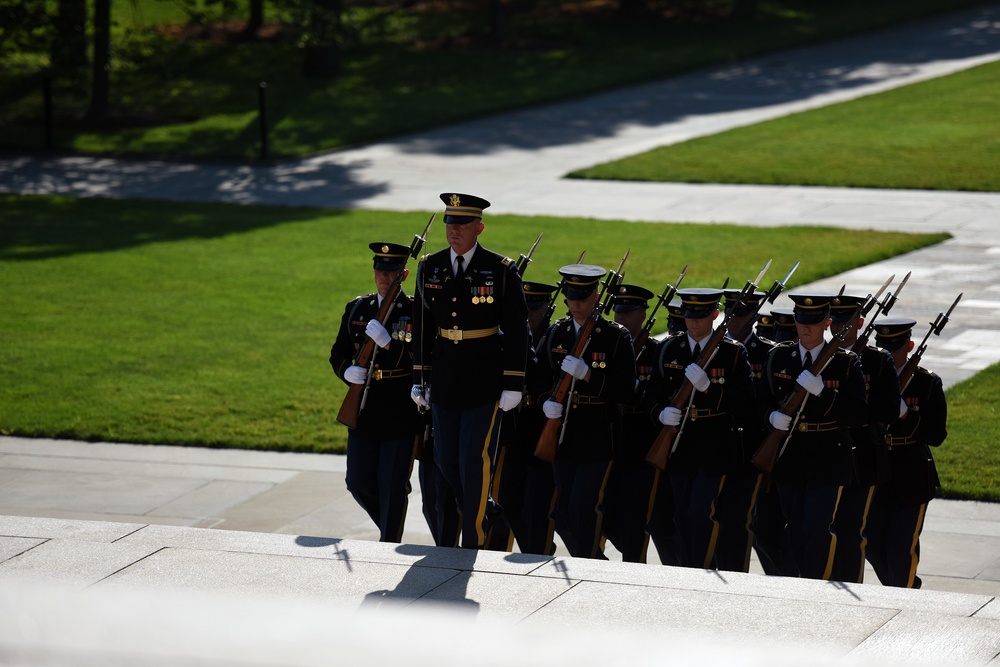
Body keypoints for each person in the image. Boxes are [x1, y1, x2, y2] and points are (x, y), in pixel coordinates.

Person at [411, 193, 529, 550]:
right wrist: (420, 377)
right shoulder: (430, 266)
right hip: (446, 376)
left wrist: (513, 383)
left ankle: (474, 540)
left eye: (461, 225)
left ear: (479, 227)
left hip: (484, 378)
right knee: (446, 459)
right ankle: (487, 512)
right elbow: (421, 324)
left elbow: (517, 327)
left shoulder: (501, 270)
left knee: (473, 461)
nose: (453, 232)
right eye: (449, 224)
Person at [641, 288, 755, 570]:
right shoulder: (669, 348)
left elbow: (746, 403)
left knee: (700, 512)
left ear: (715, 315)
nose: (693, 322)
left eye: (701, 316)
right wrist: (660, 413)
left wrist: (709, 390)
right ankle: (693, 565)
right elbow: (649, 396)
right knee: (680, 513)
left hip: (715, 444)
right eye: (688, 315)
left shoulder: (732, 352)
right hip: (679, 444)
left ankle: (701, 567)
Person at [759, 292, 867, 580]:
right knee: (793, 527)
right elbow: (760, 400)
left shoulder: (846, 363)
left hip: (828, 456)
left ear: (827, 323)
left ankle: (817, 585)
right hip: (789, 456)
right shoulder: (779, 356)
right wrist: (771, 416)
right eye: (801, 321)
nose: (806, 327)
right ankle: (798, 585)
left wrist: (823, 394)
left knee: (817, 528)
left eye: (814, 322)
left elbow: (859, 414)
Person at [533, 264, 635, 559]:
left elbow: (626, 389)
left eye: (582, 296)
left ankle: (589, 563)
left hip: (598, 433)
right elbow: (540, 379)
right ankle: (590, 559)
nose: (575, 303)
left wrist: (590, 376)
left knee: (584, 503)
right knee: (563, 507)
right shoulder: (557, 332)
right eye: (570, 296)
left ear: (596, 296)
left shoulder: (615, 337)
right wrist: (545, 402)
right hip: (562, 432)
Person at [329, 242, 421, 542]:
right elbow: (338, 352)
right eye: (380, 271)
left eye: (392, 272)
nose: (384, 277)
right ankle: (387, 527)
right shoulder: (357, 308)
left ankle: (388, 542)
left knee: (392, 485)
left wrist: (390, 344)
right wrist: (346, 371)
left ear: (403, 274)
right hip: (364, 408)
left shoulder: (415, 311)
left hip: (399, 408)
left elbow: (421, 360)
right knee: (358, 482)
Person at [865, 318, 948, 588]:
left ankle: (903, 595)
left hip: (910, 474)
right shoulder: (868, 376)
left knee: (901, 549)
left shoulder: (926, 383)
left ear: (910, 345)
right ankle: (904, 589)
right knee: (874, 547)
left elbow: (936, 435)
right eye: (882, 346)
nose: (888, 352)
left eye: (895, 346)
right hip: (876, 472)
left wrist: (905, 415)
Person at [828, 295, 899, 584]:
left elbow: (889, 410)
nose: (840, 328)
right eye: (836, 321)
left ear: (859, 322)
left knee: (851, 529)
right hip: (828, 453)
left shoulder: (877, 360)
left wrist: (850, 407)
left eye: (847, 322)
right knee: (825, 527)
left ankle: (852, 585)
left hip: (863, 458)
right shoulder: (822, 356)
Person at [496, 281, 560, 554]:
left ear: (548, 309)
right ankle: (533, 549)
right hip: (515, 430)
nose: (530, 314)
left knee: (538, 504)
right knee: (508, 500)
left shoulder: (557, 337)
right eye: (525, 307)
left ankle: (540, 551)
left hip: (542, 426)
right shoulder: (512, 334)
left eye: (536, 308)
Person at [602, 284, 662, 563]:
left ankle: (634, 567)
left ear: (642, 314)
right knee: (605, 513)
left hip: (641, 441)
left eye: (628, 312)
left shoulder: (655, 352)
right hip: (611, 436)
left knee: (635, 516)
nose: (621, 318)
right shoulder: (609, 344)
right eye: (618, 311)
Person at [714, 289, 768, 573]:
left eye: (742, 315)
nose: (734, 320)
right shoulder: (714, 348)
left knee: (737, 520)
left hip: (748, 449)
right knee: (708, 515)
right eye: (731, 313)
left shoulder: (767, 352)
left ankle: (735, 577)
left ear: (755, 317)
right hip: (712, 446)